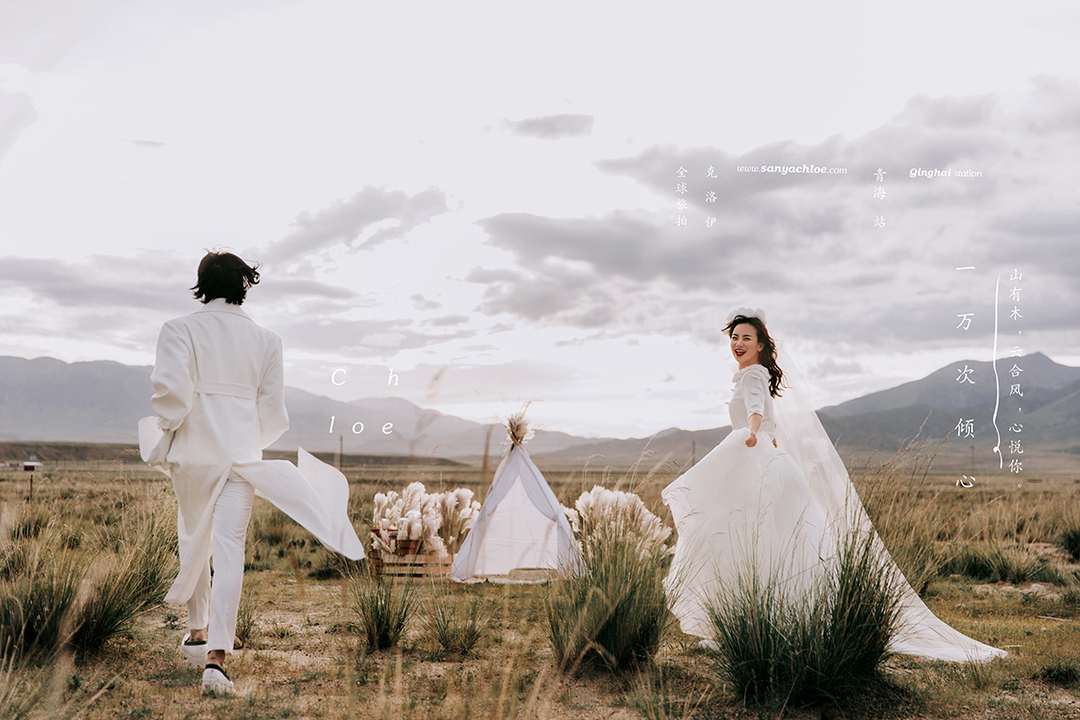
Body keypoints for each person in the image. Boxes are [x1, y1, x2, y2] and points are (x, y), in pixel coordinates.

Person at [662, 307, 1006, 662]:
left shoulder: (752, 377)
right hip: (766, 460)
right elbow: (768, 422)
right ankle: (760, 622)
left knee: (746, 538)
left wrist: (751, 433)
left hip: (756, 457)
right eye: (734, 337)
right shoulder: (756, 375)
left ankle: (754, 623)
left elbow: (756, 413)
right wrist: (765, 443)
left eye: (746, 338)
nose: (738, 343)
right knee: (763, 542)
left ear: (761, 344)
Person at [140, 251, 366, 695]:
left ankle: (198, 632)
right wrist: (244, 439)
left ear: (202, 286)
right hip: (242, 459)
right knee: (230, 551)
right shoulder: (267, 340)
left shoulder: (178, 329)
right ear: (244, 285)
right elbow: (273, 413)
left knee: (194, 536)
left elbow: (174, 396)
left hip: (194, 455)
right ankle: (215, 659)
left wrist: (167, 428)